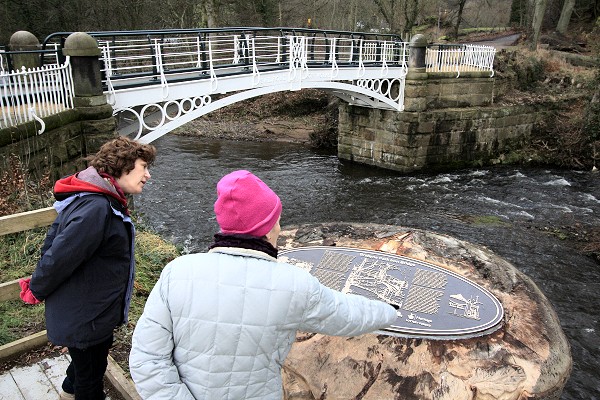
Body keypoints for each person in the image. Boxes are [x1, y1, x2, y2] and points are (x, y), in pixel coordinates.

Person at [128, 169, 397, 400]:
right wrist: (390, 310)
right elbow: (347, 315)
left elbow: (147, 359)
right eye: (276, 218)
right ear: (268, 228)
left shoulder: (179, 271)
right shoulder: (292, 285)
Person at [18, 136, 157, 400]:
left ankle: (68, 392)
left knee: (89, 364)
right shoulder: (97, 207)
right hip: (86, 315)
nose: (148, 175)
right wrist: (36, 288)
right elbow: (60, 256)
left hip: (91, 310)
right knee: (91, 379)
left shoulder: (98, 199)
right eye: (143, 167)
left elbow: (55, 240)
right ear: (123, 166)